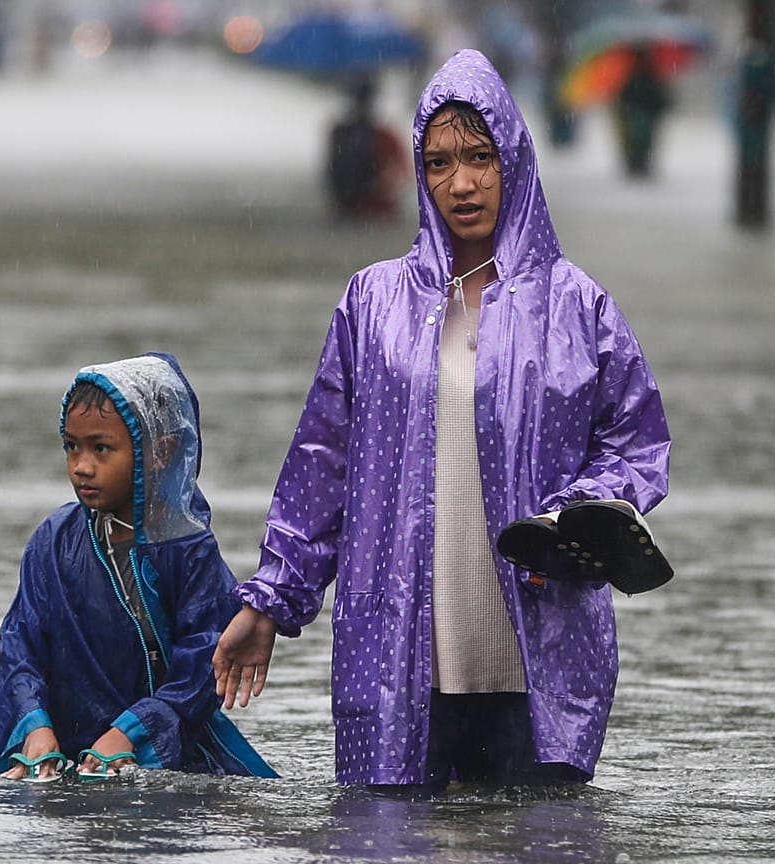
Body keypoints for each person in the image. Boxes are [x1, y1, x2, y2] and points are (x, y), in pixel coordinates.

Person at [214, 50, 670, 792]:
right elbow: (322, 465)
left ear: (513, 160)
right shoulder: (372, 303)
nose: (461, 183)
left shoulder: (577, 306)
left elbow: (637, 442)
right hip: (395, 659)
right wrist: (270, 600)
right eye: (439, 162)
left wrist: (576, 514)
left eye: (480, 157)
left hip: (539, 662)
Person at [0, 353, 277, 781]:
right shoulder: (52, 540)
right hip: (59, 755)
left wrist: (131, 733)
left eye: (101, 448)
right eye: (71, 446)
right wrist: (35, 725)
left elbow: (203, 664)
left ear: (158, 452)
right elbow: (21, 647)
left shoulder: (189, 550)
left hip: (162, 753)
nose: (81, 466)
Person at [326, 74, 410, 222]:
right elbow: (401, 174)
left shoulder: (338, 133)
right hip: (374, 213)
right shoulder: (384, 135)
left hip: (347, 211)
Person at [613, 49, 672, 179]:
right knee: (645, 143)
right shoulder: (652, 73)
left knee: (635, 142)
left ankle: (635, 164)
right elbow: (659, 96)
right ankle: (640, 164)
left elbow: (624, 97)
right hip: (646, 114)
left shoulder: (627, 73)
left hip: (636, 114)